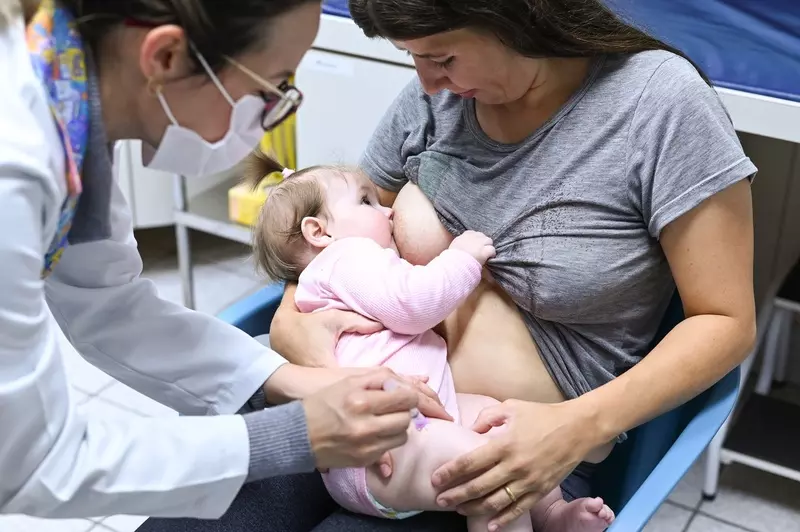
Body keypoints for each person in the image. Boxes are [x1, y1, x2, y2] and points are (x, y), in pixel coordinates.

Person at [141, 0, 757, 530]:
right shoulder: (436, 99)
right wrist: (293, 328)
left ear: (515, 15)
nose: (427, 82)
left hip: (497, 456)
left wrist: (574, 426)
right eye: (413, 57)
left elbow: (725, 320)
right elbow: (331, 236)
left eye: (442, 58)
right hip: (350, 401)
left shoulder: (661, 106)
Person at [0, 0, 450, 521]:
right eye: (268, 90)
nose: (266, 126)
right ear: (165, 56)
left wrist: (289, 380)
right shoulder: (15, 165)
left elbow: (106, 303)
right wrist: (294, 435)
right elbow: (34, 463)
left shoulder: (67, 94)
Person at [246, 162, 616, 532]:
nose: (387, 210)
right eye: (366, 202)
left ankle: (549, 513)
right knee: (491, 466)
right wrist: (463, 259)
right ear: (319, 232)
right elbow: (412, 305)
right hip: (391, 439)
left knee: (500, 422)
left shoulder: (334, 273)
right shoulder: (347, 258)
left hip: (414, 424)